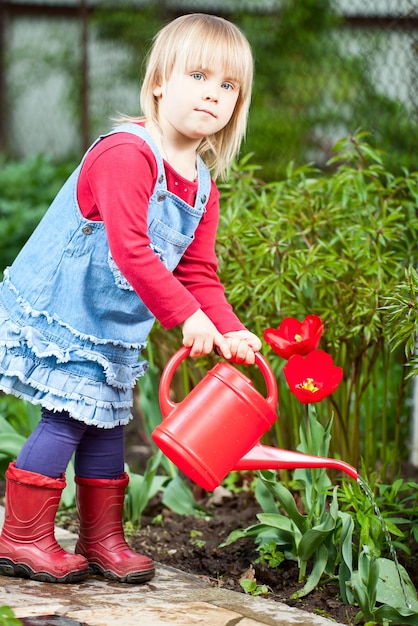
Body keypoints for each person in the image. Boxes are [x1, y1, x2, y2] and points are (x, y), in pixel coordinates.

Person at [0, 13, 261, 585]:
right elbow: (130, 251)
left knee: (109, 426)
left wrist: (227, 327)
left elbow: (199, 270)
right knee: (67, 418)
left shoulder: (202, 182)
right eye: (199, 75)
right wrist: (187, 316)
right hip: (65, 311)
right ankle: (21, 538)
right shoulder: (128, 153)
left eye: (229, 86)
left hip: (114, 326)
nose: (214, 94)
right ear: (160, 81)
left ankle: (102, 539)